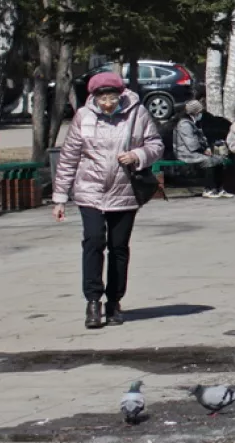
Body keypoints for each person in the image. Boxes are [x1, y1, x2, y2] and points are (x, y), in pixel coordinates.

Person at [52, 71, 163, 329]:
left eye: (112, 97)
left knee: (118, 247)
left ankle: (114, 302)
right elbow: (68, 158)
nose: (107, 103)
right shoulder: (83, 117)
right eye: (102, 98)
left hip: (124, 191)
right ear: (94, 97)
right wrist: (59, 198)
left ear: (120, 94)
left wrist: (137, 155)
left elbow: (156, 145)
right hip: (90, 190)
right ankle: (93, 301)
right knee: (93, 241)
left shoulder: (138, 113)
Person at [175, 100, 230, 199]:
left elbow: (202, 138)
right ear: (195, 112)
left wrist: (207, 148)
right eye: (200, 112)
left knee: (220, 160)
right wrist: (203, 150)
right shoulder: (184, 124)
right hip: (186, 153)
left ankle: (219, 188)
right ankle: (208, 189)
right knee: (209, 161)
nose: (201, 114)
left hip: (196, 152)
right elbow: (191, 143)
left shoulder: (194, 123)